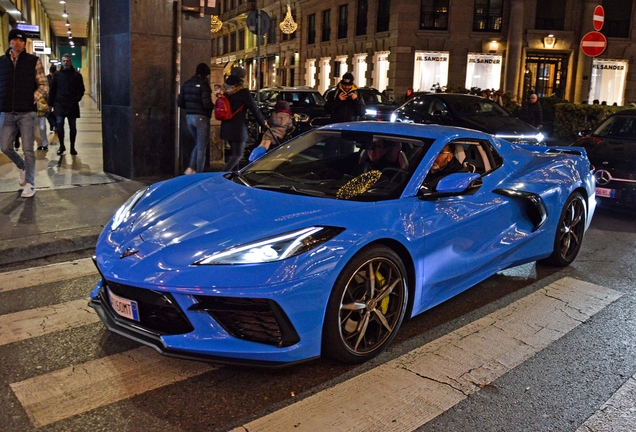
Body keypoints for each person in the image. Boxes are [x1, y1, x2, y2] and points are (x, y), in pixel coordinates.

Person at [0, 28, 49, 198]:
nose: (18, 42)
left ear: (25, 43)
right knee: (5, 146)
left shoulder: (33, 61)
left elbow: (43, 85)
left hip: (27, 112)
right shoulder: (1, 62)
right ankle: (22, 166)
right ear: (10, 42)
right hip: (6, 112)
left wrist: (31, 99)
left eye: (21, 40)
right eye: (15, 39)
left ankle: (30, 183)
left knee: (29, 149)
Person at [220, 66, 267, 171]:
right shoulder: (243, 92)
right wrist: (262, 122)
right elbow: (254, 108)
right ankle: (221, 176)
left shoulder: (226, 90)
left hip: (227, 125)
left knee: (234, 154)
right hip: (238, 127)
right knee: (238, 155)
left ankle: (233, 177)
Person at [177, 62, 214, 175]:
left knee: (198, 144)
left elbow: (179, 102)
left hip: (189, 117)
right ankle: (199, 173)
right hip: (201, 118)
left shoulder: (186, 84)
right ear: (205, 75)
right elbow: (207, 104)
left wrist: (190, 109)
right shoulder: (204, 85)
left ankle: (191, 168)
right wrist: (213, 108)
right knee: (202, 147)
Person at [49, 54, 85, 156]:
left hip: (72, 104)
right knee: (59, 124)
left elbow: (81, 89)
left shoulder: (77, 75)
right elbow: (53, 90)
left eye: (67, 61)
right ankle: (61, 145)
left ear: (71, 62)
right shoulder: (57, 75)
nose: (66, 63)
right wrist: (50, 104)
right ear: (62, 62)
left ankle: (72, 147)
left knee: (72, 126)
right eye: (64, 61)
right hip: (59, 103)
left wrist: (77, 99)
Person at [46, 65, 57, 133]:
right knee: (49, 113)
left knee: (54, 112)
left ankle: (55, 125)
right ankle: (52, 124)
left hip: (53, 98)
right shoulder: (48, 78)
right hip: (50, 98)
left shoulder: (47, 78)